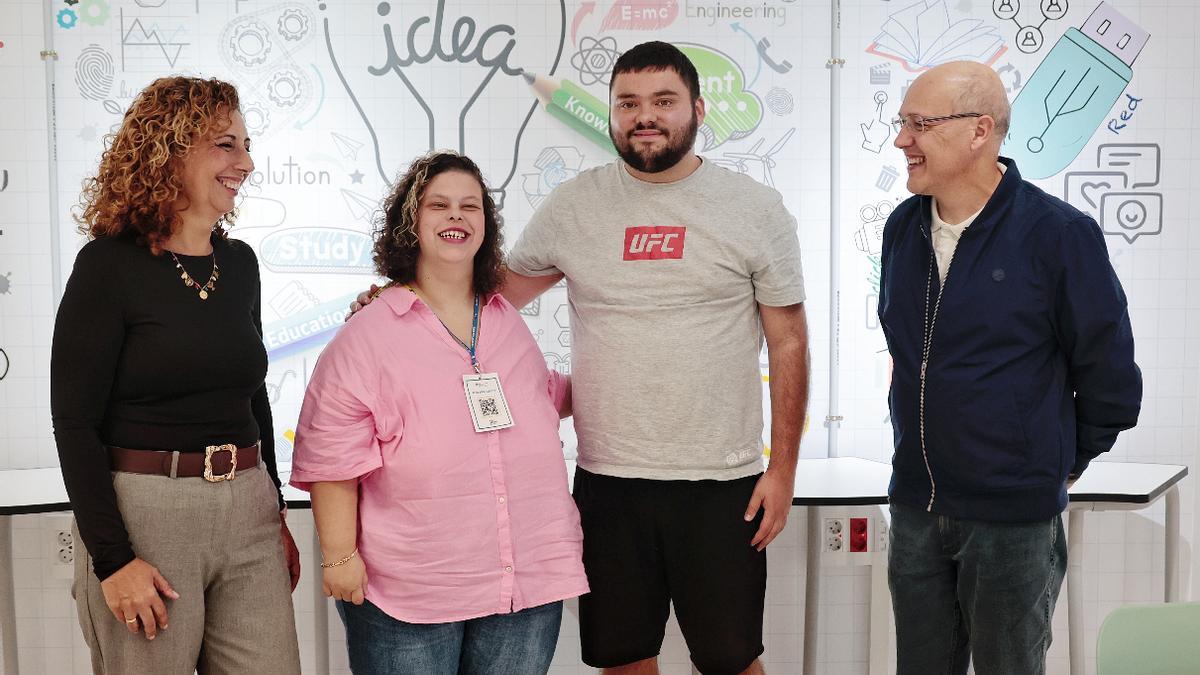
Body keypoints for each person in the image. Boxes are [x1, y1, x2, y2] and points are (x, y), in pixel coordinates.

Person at [351, 41, 809, 675]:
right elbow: (486, 291)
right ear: (612, 115)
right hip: (608, 482)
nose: (644, 116)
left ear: (698, 109)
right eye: (628, 103)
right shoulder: (575, 206)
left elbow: (788, 341)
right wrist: (397, 295)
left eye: (663, 101)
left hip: (721, 481)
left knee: (731, 659)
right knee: (622, 658)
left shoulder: (755, 210)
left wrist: (783, 469)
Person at [878, 61, 1142, 675]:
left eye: (920, 124)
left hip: (1013, 518)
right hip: (916, 505)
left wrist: (1057, 462)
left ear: (979, 131)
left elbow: (1111, 380)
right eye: (902, 123)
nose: (902, 141)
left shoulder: (1058, 234)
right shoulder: (901, 229)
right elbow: (906, 354)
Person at [290, 150, 588, 675]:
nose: (456, 216)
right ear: (410, 223)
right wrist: (338, 556)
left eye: (470, 206)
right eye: (439, 205)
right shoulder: (369, 333)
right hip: (411, 588)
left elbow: (539, 397)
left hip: (524, 583)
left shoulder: (505, 319)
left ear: (486, 225)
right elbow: (333, 452)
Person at [50, 76, 301, 674]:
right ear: (171, 149)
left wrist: (275, 513)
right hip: (146, 517)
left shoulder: (239, 264)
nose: (246, 161)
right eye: (226, 145)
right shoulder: (108, 265)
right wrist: (112, 561)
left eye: (245, 143)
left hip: (248, 511)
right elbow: (75, 422)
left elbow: (252, 395)